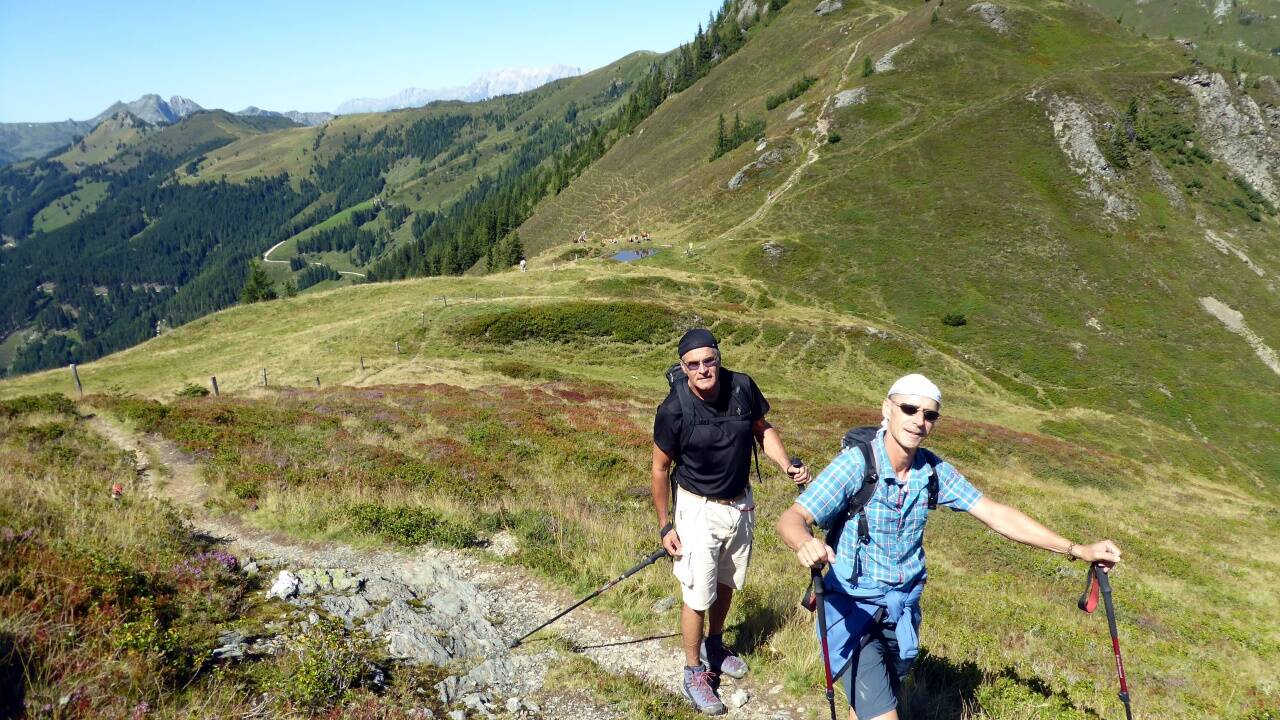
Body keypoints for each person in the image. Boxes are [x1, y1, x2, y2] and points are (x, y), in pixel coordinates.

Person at [776, 374, 1123, 720]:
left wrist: (1078, 549)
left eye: (930, 415)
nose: (919, 421)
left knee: (870, 707)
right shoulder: (856, 464)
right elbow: (792, 518)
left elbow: (995, 514)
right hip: (852, 610)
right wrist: (804, 542)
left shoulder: (932, 471)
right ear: (887, 408)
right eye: (910, 409)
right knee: (882, 715)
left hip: (901, 613)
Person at [652, 328, 811, 715]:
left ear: (719, 357)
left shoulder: (742, 387)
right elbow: (660, 468)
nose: (703, 369)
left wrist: (785, 463)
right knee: (696, 594)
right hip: (697, 508)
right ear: (683, 367)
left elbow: (762, 430)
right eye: (694, 364)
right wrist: (665, 525)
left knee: (727, 582)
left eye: (709, 360)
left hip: (740, 504)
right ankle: (693, 671)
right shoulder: (673, 410)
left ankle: (716, 646)